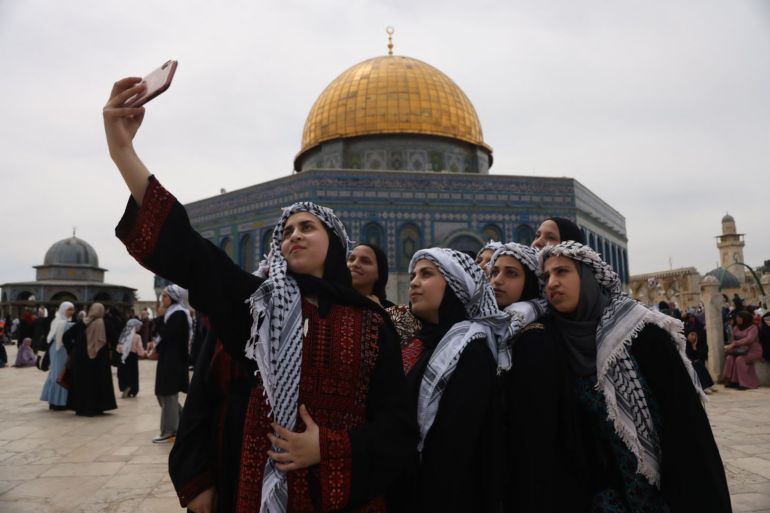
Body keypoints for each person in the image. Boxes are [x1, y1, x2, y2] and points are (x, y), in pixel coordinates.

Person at [104, 76, 415, 513]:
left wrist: (327, 447)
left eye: (308, 226)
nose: (294, 236)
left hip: (346, 495)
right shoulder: (258, 307)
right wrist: (124, 153)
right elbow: (192, 253)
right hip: (257, 491)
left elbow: (397, 427)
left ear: (335, 243)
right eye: (286, 231)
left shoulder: (369, 321)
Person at [504, 241, 731, 513]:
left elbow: (685, 424)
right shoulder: (553, 341)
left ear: (588, 278)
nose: (552, 283)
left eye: (562, 272)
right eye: (546, 276)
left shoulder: (642, 334)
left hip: (663, 484)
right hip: (601, 493)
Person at [398, 247, 512, 512]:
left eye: (426, 274)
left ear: (456, 286)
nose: (414, 281)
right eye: (414, 274)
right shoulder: (421, 343)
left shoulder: (470, 349)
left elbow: (454, 449)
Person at [148, 284, 191, 443]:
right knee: (163, 394)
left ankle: (170, 431)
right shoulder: (171, 314)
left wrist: (159, 318)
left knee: (168, 395)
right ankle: (183, 423)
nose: (162, 299)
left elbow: (169, 335)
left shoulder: (178, 314)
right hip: (168, 359)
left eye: (165, 296)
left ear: (173, 297)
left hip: (174, 361)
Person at [62, 303, 118, 416]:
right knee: (98, 383)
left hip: (82, 360)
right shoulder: (106, 324)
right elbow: (116, 339)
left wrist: (74, 349)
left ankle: (81, 407)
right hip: (100, 360)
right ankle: (98, 407)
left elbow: (66, 337)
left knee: (83, 383)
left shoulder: (82, 323)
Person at [40, 301, 75, 410]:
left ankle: (55, 400)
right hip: (60, 350)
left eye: (72, 309)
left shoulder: (61, 321)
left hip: (58, 350)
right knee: (59, 374)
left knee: (57, 373)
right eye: (69, 309)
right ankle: (59, 402)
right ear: (63, 310)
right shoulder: (61, 322)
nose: (72, 312)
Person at [722, 310, 762, 390]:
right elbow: (732, 340)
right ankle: (733, 381)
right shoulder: (736, 328)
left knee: (740, 360)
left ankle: (745, 383)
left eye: (739, 318)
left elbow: (749, 340)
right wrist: (730, 346)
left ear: (745, 318)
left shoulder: (753, 328)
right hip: (740, 350)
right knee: (730, 358)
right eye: (737, 318)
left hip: (753, 351)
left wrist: (734, 344)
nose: (737, 319)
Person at [116, 318, 146, 398]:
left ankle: (125, 386)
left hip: (123, 357)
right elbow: (140, 349)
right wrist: (143, 353)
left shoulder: (123, 335)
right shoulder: (137, 337)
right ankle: (132, 390)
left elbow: (118, 348)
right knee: (132, 374)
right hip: (132, 357)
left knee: (123, 373)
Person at [685, 329, 714, 393]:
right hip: (686, 362)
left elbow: (698, 356)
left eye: (695, 335)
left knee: (699, 363)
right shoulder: (684, 343)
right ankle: (703, 387)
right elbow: (685, 355)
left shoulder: (693, 344)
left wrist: (694, 346)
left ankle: (707, 385)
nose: (693, 337)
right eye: (692, 334)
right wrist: (692, 360)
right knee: (697, 365)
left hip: (693, 362)